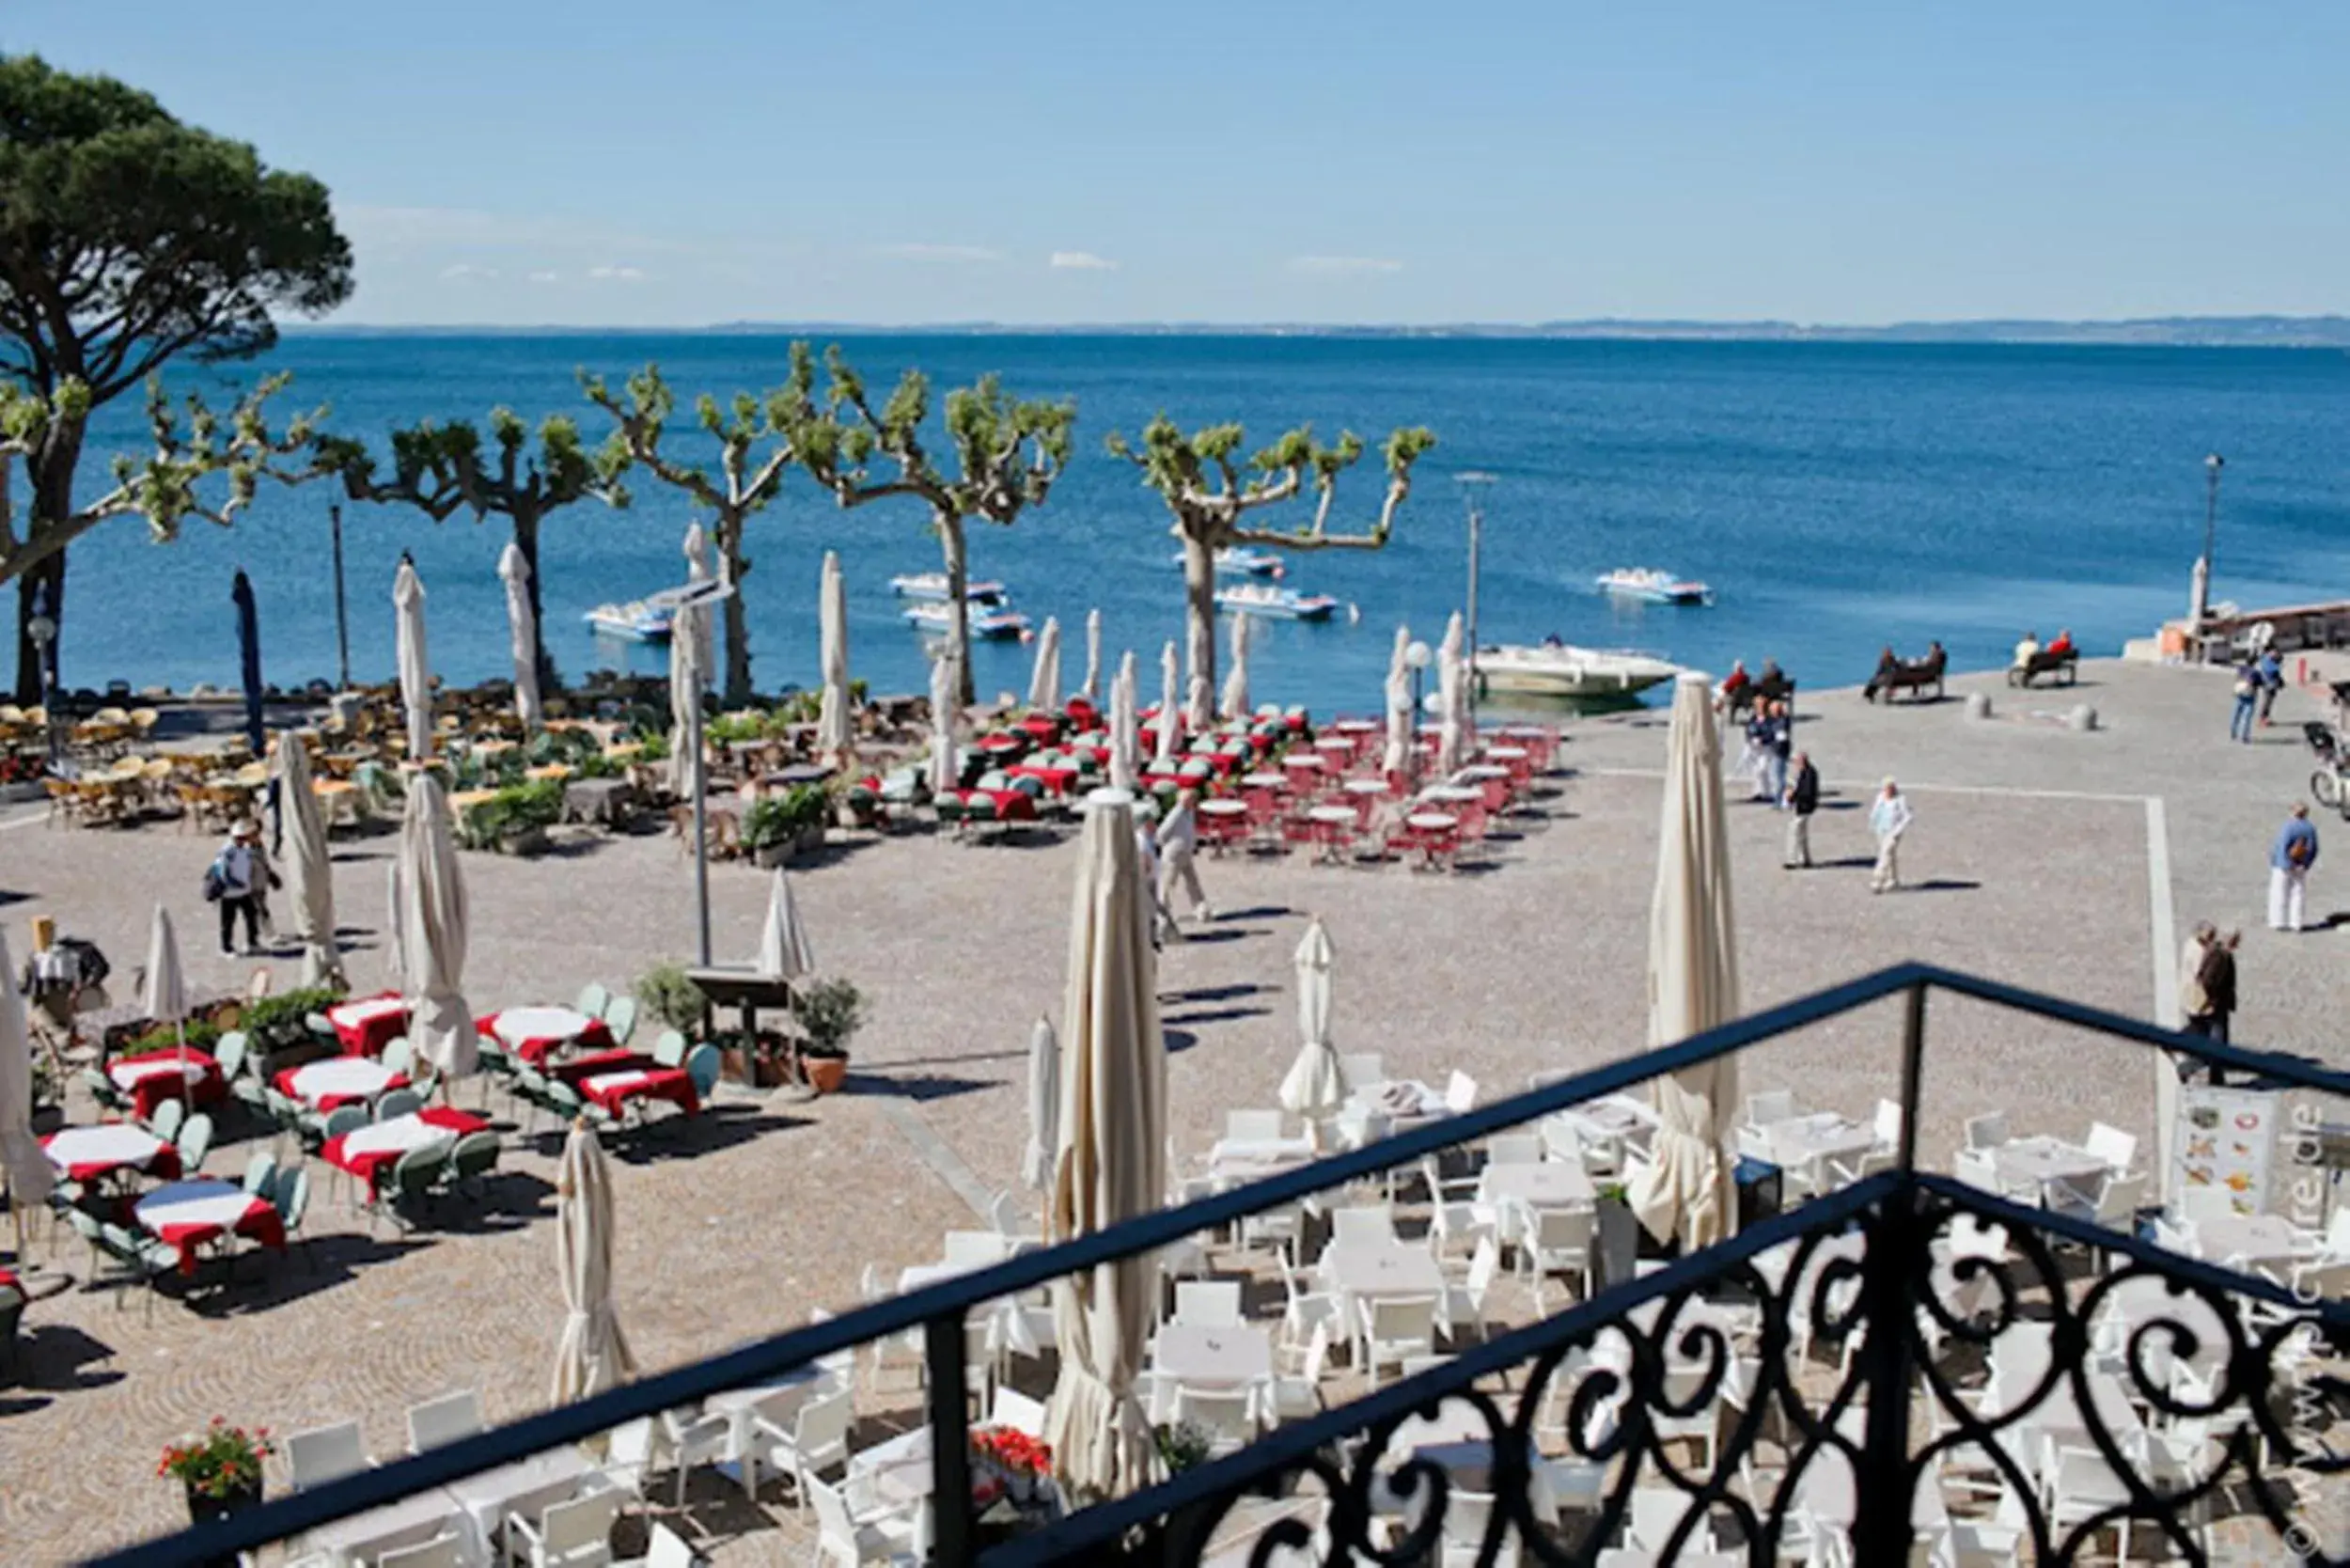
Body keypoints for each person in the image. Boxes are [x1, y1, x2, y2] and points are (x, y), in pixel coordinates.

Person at [1156, 786, 1214, 929]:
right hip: (1174, 855)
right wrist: (1170, 845)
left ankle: (1201, 909)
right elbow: (1162, 833)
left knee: (1193, 882)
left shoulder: (1190, 812)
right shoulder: (1176, 814)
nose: (1194, 801)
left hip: (1186, 853)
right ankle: (1162, 914)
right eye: (1191, 799)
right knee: (1168, 885)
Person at [210, 822, 266, 955]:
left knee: (251, 917)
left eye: (243, 838)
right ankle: (226, 948)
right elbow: (222, 872)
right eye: (238, 838)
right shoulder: (227, 852)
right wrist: (234, 883)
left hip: (244, 892)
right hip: (229, 893)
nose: (241, 841)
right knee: (228, 922)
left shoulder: (245, 850)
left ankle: (252, 943)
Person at [2268, 801, 2317, 932]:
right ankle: (2297, 922)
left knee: (2279, 892)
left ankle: (2278, 921)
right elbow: (2313, 848)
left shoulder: (2288, 826)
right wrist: (2306, 863)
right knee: (2298, 894)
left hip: (2283, 865)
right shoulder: (2310, 828)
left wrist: (2277, 861)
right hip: (2300, 865)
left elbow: (2281, 846)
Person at [2194, 930, 2239, 1045]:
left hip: (2217, 1003)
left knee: (2212, 1032)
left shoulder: (2219, 951)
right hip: (2216, 1004)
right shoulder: (2219, 955)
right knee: (2217, 1036)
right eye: (2236, 941)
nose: (2237, 945)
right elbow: (2207, 980)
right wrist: (2212, 999)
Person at [1869, 777, 1912, 893]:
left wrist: (1898, 830)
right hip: (1881, 831)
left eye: (1891, 787)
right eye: (1887, 787)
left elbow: (1907, 816)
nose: (1889, 790)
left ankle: (1878, 879)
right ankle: (1893, 880)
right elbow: (1875, 812)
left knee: (1885, 854)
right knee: (1890, 855)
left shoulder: (1900, 799)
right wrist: (1873, 823)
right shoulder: (1880, 798)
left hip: (1893, 833)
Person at [1782, 750, 1819, 868]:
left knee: (1794, 832)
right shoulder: (1807, 772)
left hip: (1804, 808)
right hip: (1804, 807)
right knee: (1802, 834)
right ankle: (1805, 859)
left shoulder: (1809, 774)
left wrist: (1792, 796)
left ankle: (1792, 860)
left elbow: (1806, 792)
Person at [2230, 661, 2259, 744]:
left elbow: (2236, 679)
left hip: (2240, 695)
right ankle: (2244, 737)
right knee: (2246, 718)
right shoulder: (2255, 673)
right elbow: (2260, 682)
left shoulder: (2240, 669)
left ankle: (2233, 732)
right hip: (2250, 697)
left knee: (2235, 715)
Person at [2256, 646, 2284, 728]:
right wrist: (2278, 666)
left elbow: (2278, 665)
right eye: (2273, 652)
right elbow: (2271, 670)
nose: (2275, 654)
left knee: (2269, 702)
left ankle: (2266, 718)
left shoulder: (2270, 659)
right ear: (2269, 652)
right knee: (2267, 702)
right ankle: (2262, 719)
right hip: (2268, 684)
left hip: (2272, 684)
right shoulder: (2266, 660)